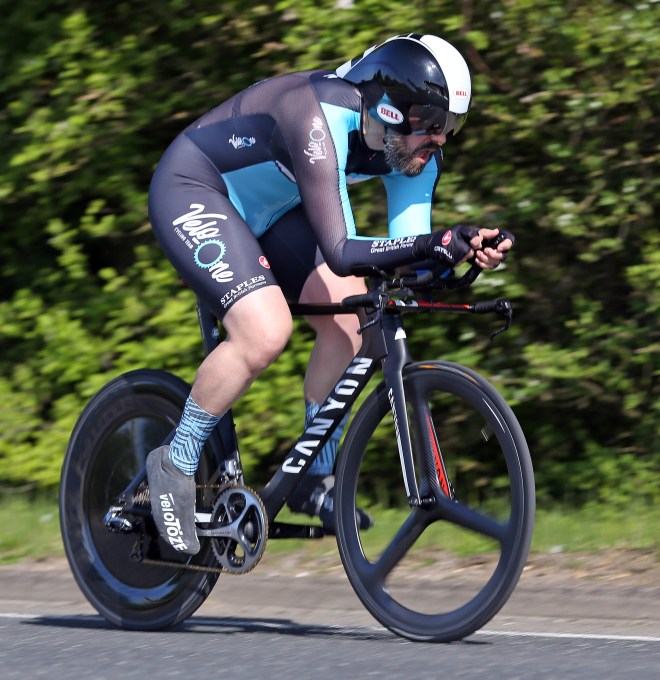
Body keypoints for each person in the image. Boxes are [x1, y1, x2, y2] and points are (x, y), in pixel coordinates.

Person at [145, 33, 514, 555]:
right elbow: (342, 251)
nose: (441, 140)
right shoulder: (317, 114)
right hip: (195, 188)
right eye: (432, 123)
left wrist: (461, 252)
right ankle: (175, 460)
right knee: (266, 332)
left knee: (351, 321)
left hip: (270, 211)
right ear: (390, 107)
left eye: (452, 126)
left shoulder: (412, 155)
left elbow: (408, 259)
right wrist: (434, 243)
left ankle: (312, 479)